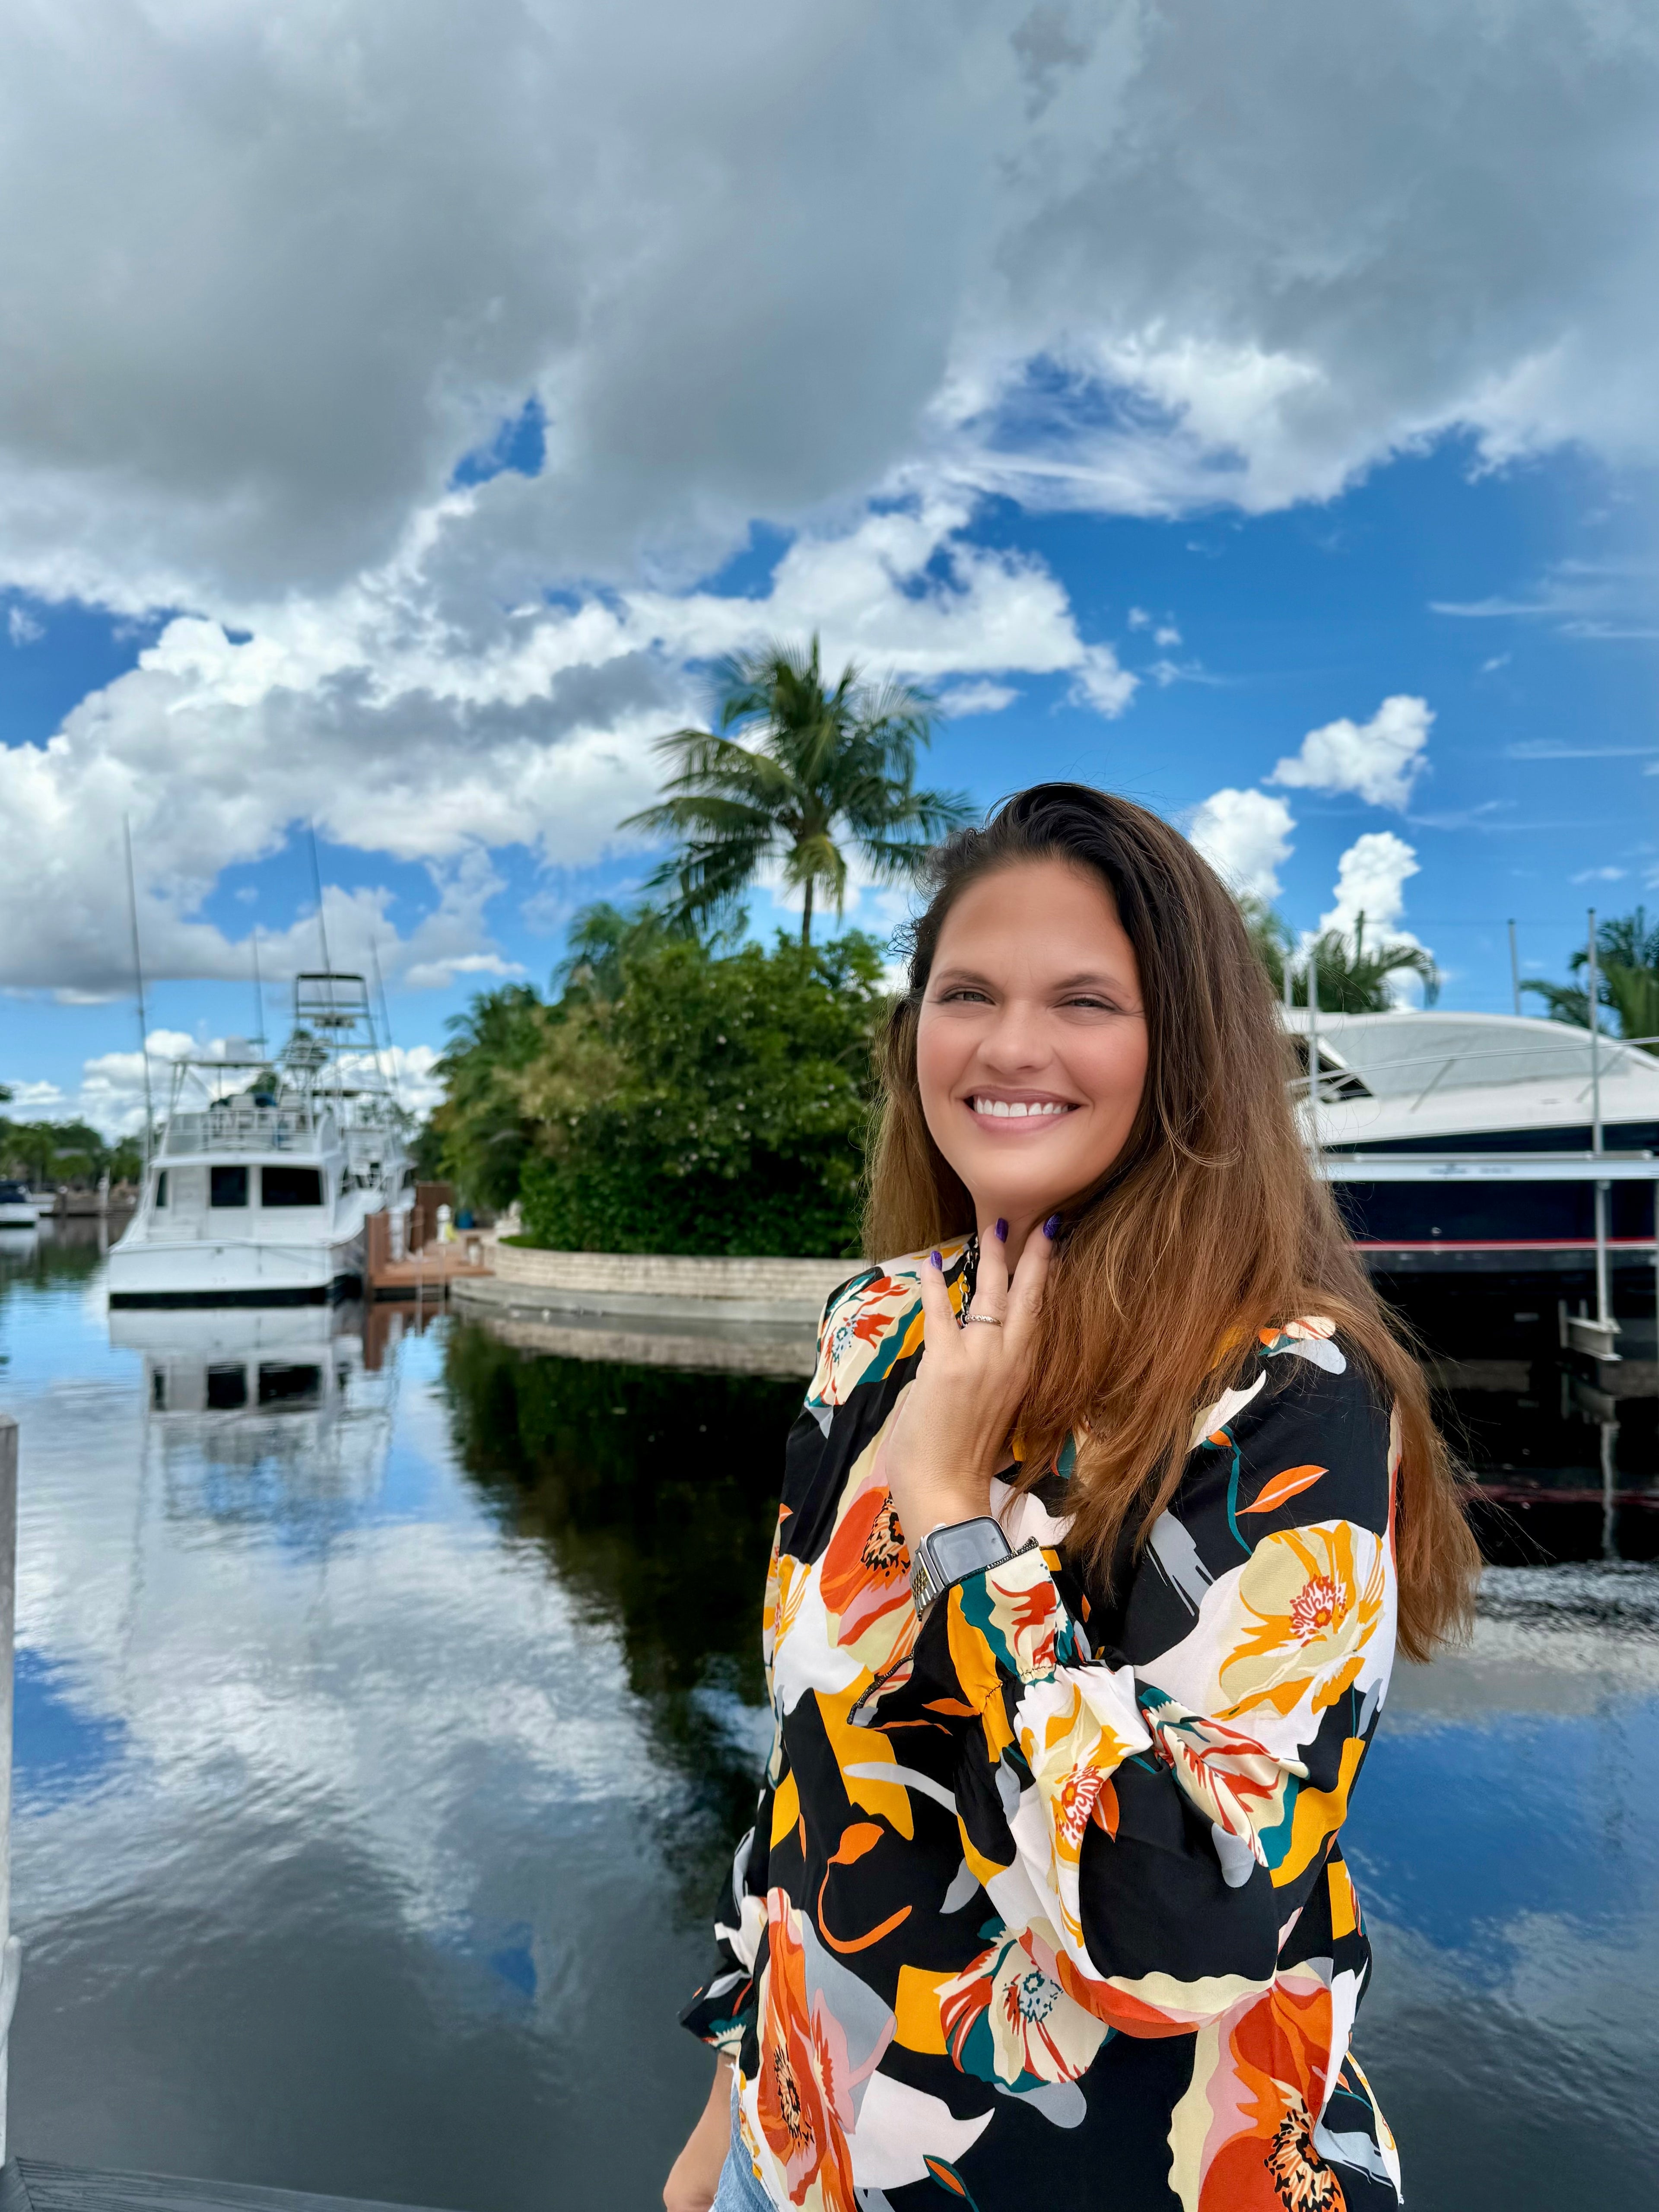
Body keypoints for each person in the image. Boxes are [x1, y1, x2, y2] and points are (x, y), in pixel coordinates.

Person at [665, 783, 1479, 2212]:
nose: (1012, 1046)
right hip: (796, 2156)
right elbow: (809, 1762)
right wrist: (732, 2099)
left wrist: (954, 1520)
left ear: (1185, 1055)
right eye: (966, 991)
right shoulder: (879, 1327)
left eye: (1086, 1001)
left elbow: (1186, 1918)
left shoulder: (1290, 1397)